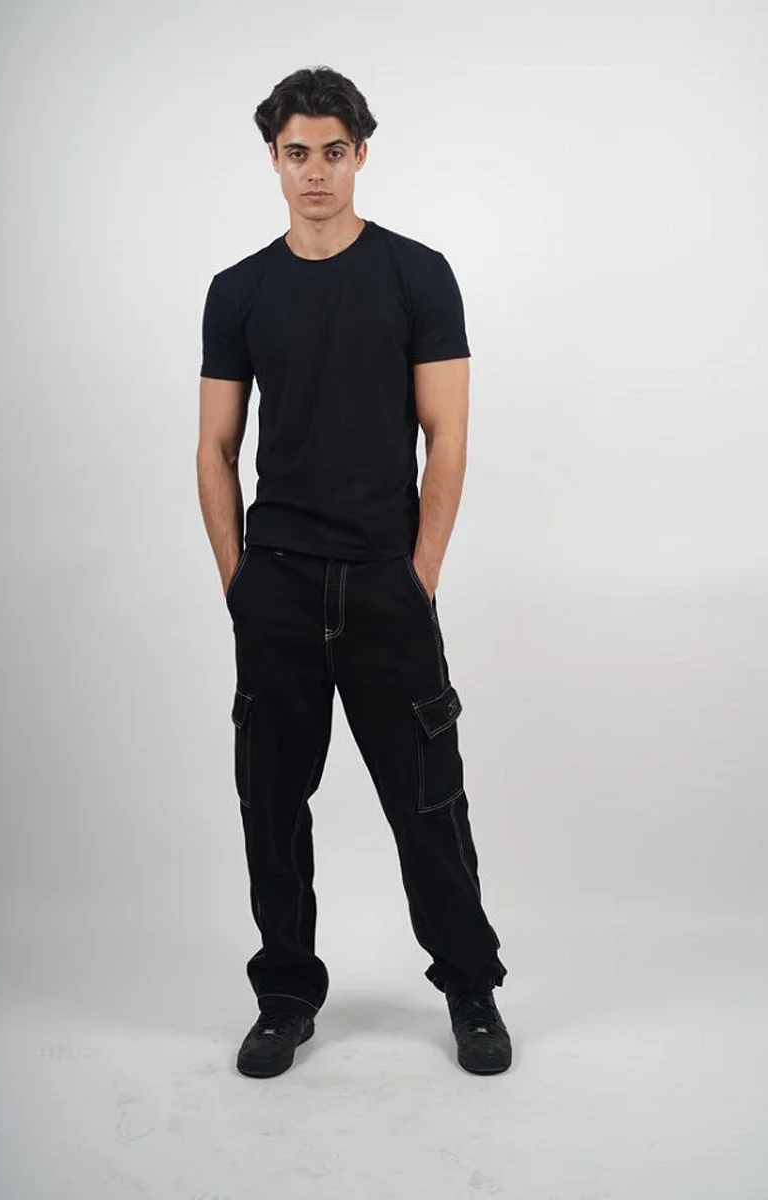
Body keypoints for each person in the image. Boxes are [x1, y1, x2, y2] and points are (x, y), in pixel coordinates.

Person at [197, 65, 512, 1078]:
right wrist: (239, 583)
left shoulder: (417, 275)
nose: (315, 172)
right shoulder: (239, 291)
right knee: (271, 805)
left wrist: (416, 577)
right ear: (272, 159)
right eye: (297, 153)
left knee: (428, 802)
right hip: (278, 584)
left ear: (360, 155)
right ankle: (285, 995)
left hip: (383, 581)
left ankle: (469, 987)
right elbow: (214, 446)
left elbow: (446, 437)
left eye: (334, 152)